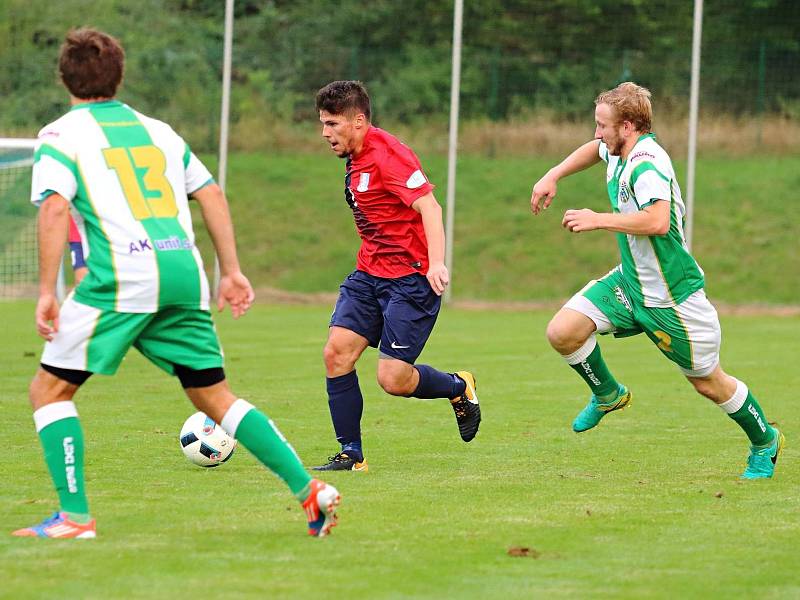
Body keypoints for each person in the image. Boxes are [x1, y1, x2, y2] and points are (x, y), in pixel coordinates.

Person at [13, 28, 340, 539]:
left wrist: (47, 293)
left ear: (64, 78)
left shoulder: (60, 136)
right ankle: (309, 492)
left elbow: (56, 208)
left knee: (48, 390)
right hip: (182, 273)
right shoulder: (159, 131)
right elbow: (209, 193)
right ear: (118, 76)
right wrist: (230, 271)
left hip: (120, 278)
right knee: (215, 397)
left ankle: (75, 517)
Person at [530, 82, 783, 479]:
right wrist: (553, 174)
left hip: (673, 300)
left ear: (628, 126)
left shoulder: (648, 163)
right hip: (631, 284)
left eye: (602, 126)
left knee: (709, 383)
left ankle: (765, 441)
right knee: (563, 331)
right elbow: (592, 150)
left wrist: (597, 219)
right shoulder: (616, 148)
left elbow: (657, 221)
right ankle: (609, 394)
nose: (597, 134)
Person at [312, 80, 480, 472]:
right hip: (369, 274)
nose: (325, 133)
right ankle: (351, 455)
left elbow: (430, 208)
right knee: (336, 353)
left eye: (333, 124)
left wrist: (437, 263)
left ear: (358, 121)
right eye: (322, 123)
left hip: (411, 280)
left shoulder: (390, 155)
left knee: (393, 379)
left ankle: (458, 387)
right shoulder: (354, 154)